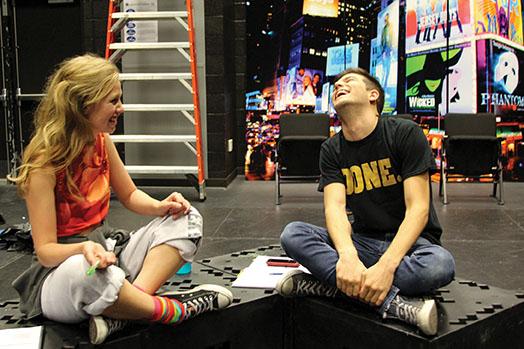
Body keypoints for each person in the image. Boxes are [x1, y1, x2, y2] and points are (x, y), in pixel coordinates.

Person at [8, 54, 233, 345]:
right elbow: (46, 252)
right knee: (86, 273)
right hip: (60, 276)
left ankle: (127, 308)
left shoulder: (101, 141)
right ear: (84, 105)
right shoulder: (44, 163)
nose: (121, 108)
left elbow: (129, 194)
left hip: (107, 255)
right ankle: (168, 310)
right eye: (113, 101)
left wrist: (161, 207)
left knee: (188, 219)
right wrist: (84, 248)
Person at [276, 67, 455, 336]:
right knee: (293, 234)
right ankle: (391, 302)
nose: (339, 86)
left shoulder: (404, 133)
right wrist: (347, 256)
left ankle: (332, 287)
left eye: (348, 81)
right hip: (364, 242)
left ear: (373, 96)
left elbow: (417, 208)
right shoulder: (331, 149)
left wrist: (386, 266)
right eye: (336, 85)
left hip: (411, 246)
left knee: (440, 265)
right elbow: (334, 208)